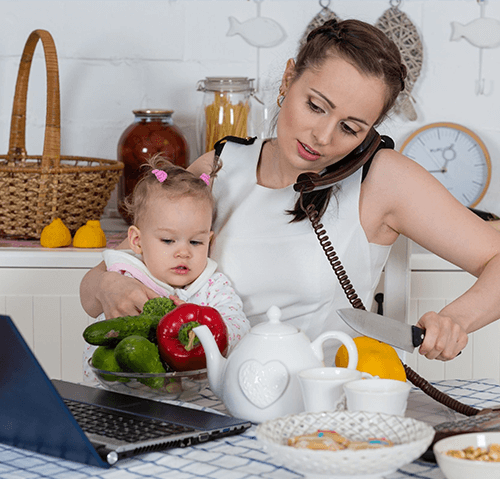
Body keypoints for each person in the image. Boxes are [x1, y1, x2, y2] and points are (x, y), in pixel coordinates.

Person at [81, 19, 500, 366]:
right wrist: (107, 287)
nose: (321, 135)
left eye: (350, 128)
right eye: (315, 106)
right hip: (209, 401)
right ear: (287, 79)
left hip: (321, 413)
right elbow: (109, 276)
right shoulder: (219, 166)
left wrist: (453, 319)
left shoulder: (382, 178)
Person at [83, 155, 249, 381]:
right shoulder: (124, 275)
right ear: (137, 241)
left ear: (209, 241)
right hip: (119, 392)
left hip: (191, 399)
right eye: (168, 241)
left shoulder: (212, 285)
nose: (184, 252)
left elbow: (240, 329)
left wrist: (203, 326)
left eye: (196, 242)